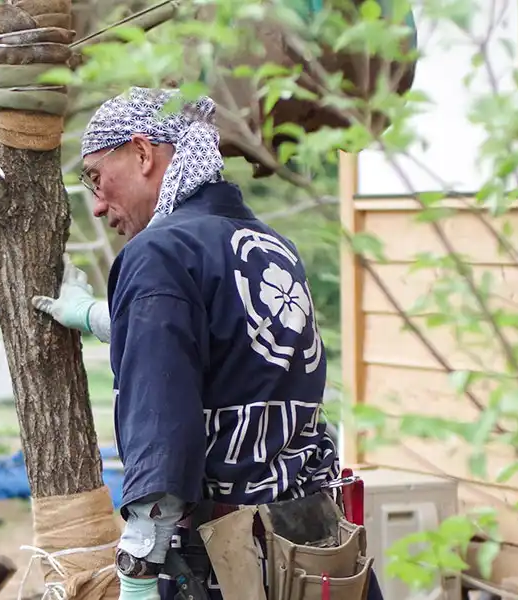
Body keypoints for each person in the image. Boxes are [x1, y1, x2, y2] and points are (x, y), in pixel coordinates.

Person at [32, 87, 384, 600]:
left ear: (143, 153)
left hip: (229, 563)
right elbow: (217, 346)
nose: (99, 204)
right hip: (317, 550)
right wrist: (89, 315)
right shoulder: (269, 246)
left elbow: (163, 419)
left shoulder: (159, 252)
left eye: (96, 177)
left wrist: (138, 565)